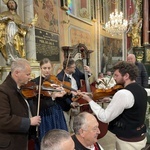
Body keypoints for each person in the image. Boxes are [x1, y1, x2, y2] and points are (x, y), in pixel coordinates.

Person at [79, 61, 147, 150]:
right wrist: (111, 100)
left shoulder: (123, 93)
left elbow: (105, 117)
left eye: (116, 75)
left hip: (128, 143)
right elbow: (132, 105)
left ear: (126, 76)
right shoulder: (142, 90)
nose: (114, 78)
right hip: (140, 138)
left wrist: (90, 100)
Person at [29, 58, 73, 149]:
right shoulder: (35, 82)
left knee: (60, 139)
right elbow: (36, 104)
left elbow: (63, 100)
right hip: (45, 115)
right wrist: (52, 96)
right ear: (40, 68)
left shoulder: (55, 80)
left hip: (57, 113)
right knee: (48, 141)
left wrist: (63, 94)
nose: (47, 71)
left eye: (49, 68)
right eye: (44, 68)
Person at [0, 58, 41, 150]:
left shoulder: (20, 88)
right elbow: (3, 120)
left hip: (21, 141)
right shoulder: (3, 91)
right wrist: (29, 122)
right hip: (10, 145)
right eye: (27, 74)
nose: (30, 77)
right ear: (17, 73)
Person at [57, 58, 92, 132]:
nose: (75, 68)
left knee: (75, 123)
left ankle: (75, 136)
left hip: (76, 100)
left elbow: (84, 76)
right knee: (66, 124)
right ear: (67, 68)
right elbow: (62, 96)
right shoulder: (60, 77)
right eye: (73, 67)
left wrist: (88, 72)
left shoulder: (75, 72)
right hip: (65, 104)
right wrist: (70, 103)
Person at [0, 0, 32, 65]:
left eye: (13, 3)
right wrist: (7, 17)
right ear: (8, 5)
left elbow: (20, 24)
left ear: (15, 5)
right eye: (10, 3)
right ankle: (10, 58)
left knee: (16, 45)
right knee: (9, 42)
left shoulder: (17, 16)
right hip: (8, 30)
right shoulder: (5, 13)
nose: (11, 4)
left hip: (16, 31)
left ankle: (16, 58)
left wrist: (27, 25)